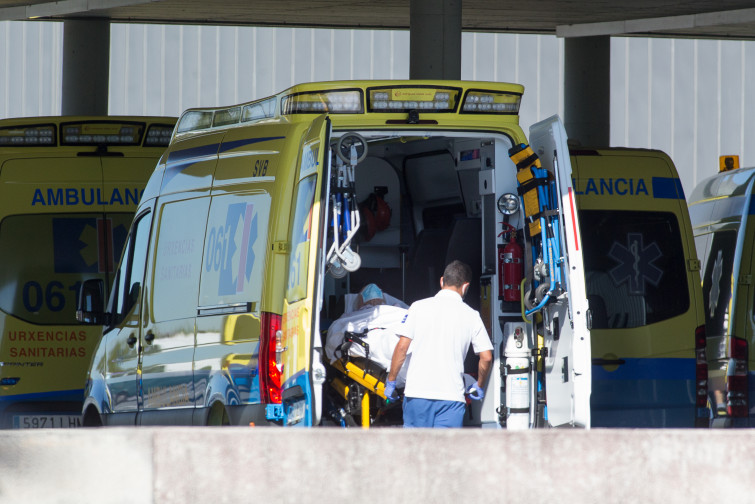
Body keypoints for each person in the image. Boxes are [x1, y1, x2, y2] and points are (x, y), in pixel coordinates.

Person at [384, 260, 493, 428]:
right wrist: (479, 385)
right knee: (444, 452)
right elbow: (486, 357)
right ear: (465, 287)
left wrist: (391, 382)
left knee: (415, 450)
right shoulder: (471, 315)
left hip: (417, 394)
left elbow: (402, 347)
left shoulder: (418, 307)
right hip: (451, 398)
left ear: (442, 281)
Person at [324, 284, 409, 382]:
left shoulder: (351, 316)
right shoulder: (395, 309)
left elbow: (335, 331)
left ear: (361, 301)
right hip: (400, 339)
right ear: (382, 299)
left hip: (389, 341)